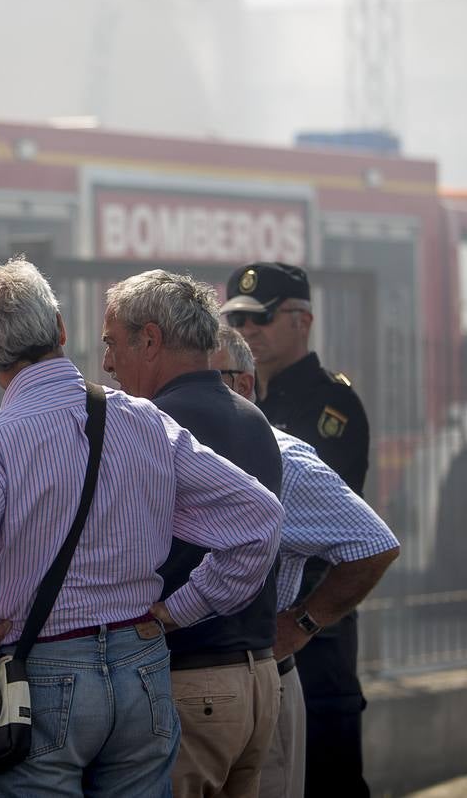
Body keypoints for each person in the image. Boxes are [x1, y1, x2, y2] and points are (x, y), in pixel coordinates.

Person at [0, 258, 284, 798]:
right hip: (143, 667)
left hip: (40, 674)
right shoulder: (143, 420)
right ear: (60, 328)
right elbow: (260, 518)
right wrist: (184, 608)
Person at [102, 270, 284, 798]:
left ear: (151, 340)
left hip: (191, 683)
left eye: (113, 344)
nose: (108, 364)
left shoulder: (153, 425)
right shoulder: (254, 419)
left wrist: (175, 611)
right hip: (255, 683)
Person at [213, 325, 399, 798]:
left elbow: (373, 543)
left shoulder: (284, 457)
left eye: (208, 379)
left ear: (244, 384)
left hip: (266, 675)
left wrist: (301, 623)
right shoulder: (162, 451)